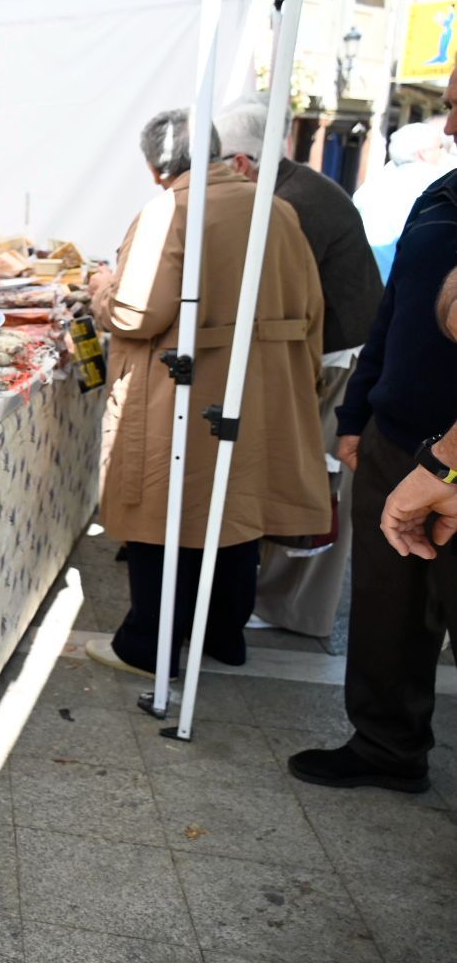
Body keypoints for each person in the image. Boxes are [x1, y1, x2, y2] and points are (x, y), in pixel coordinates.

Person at [84, 109, 330, 678]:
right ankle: (224, 634)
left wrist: (101, 289)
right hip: (262, 384)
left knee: (164, 512)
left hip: (185, 387)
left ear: (155, 168)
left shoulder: (171, 209)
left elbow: (137, 312)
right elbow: (313, 308)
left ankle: (148, 644)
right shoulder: (276, 207)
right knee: (234, 512)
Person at [289, 68, 457, 793]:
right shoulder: (441, 195)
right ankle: (387, 746)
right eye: (451, 109)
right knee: (386, 607)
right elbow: (392, 313)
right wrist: (358, 414)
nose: (449, 128)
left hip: (452, 460)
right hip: (396, 434)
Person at [213, 97, 383, 638]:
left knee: (316, 487)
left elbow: (278, 299)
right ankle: (277, 600)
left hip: (340, 365)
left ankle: (294, 611)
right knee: (307, 481)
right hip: (331, 357)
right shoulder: (290, 192)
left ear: (240, 163)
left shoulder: (293, 204)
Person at [353, 120, 451, 277]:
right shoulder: (432, 184)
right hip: (402, 283)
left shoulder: (373, 184)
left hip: (365, 280)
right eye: (440, 147)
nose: (444, 153)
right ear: (423, 153)